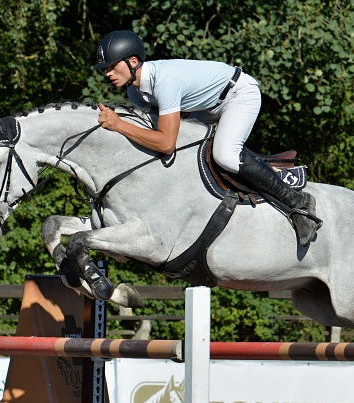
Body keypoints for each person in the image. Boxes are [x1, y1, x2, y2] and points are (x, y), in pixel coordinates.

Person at [94, 30, 321, 246]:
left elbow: (165, 143)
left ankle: (297, 203)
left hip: (237, 94)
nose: (108, 73)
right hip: (206, 106)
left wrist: (119, 125)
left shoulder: (165, 81)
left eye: (112, 66)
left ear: (133, 62)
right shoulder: (135, 91)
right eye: (106, 69)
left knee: (225, 155)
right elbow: (151, 134)